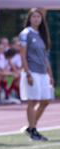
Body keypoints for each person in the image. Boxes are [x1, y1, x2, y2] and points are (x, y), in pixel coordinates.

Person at [19, 8, 54, 141]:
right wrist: (27, 73)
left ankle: (31, 127)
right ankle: (33, 131)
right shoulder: (26, 33)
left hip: (43, 73)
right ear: (29, 18)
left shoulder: (42, 34)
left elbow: (45, 57)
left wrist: (50, 74)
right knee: (32, 101)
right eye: (33, 16)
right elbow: (22, 55)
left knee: (46, 101)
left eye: (38, 17)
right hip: (32, 71)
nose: (36, 19)